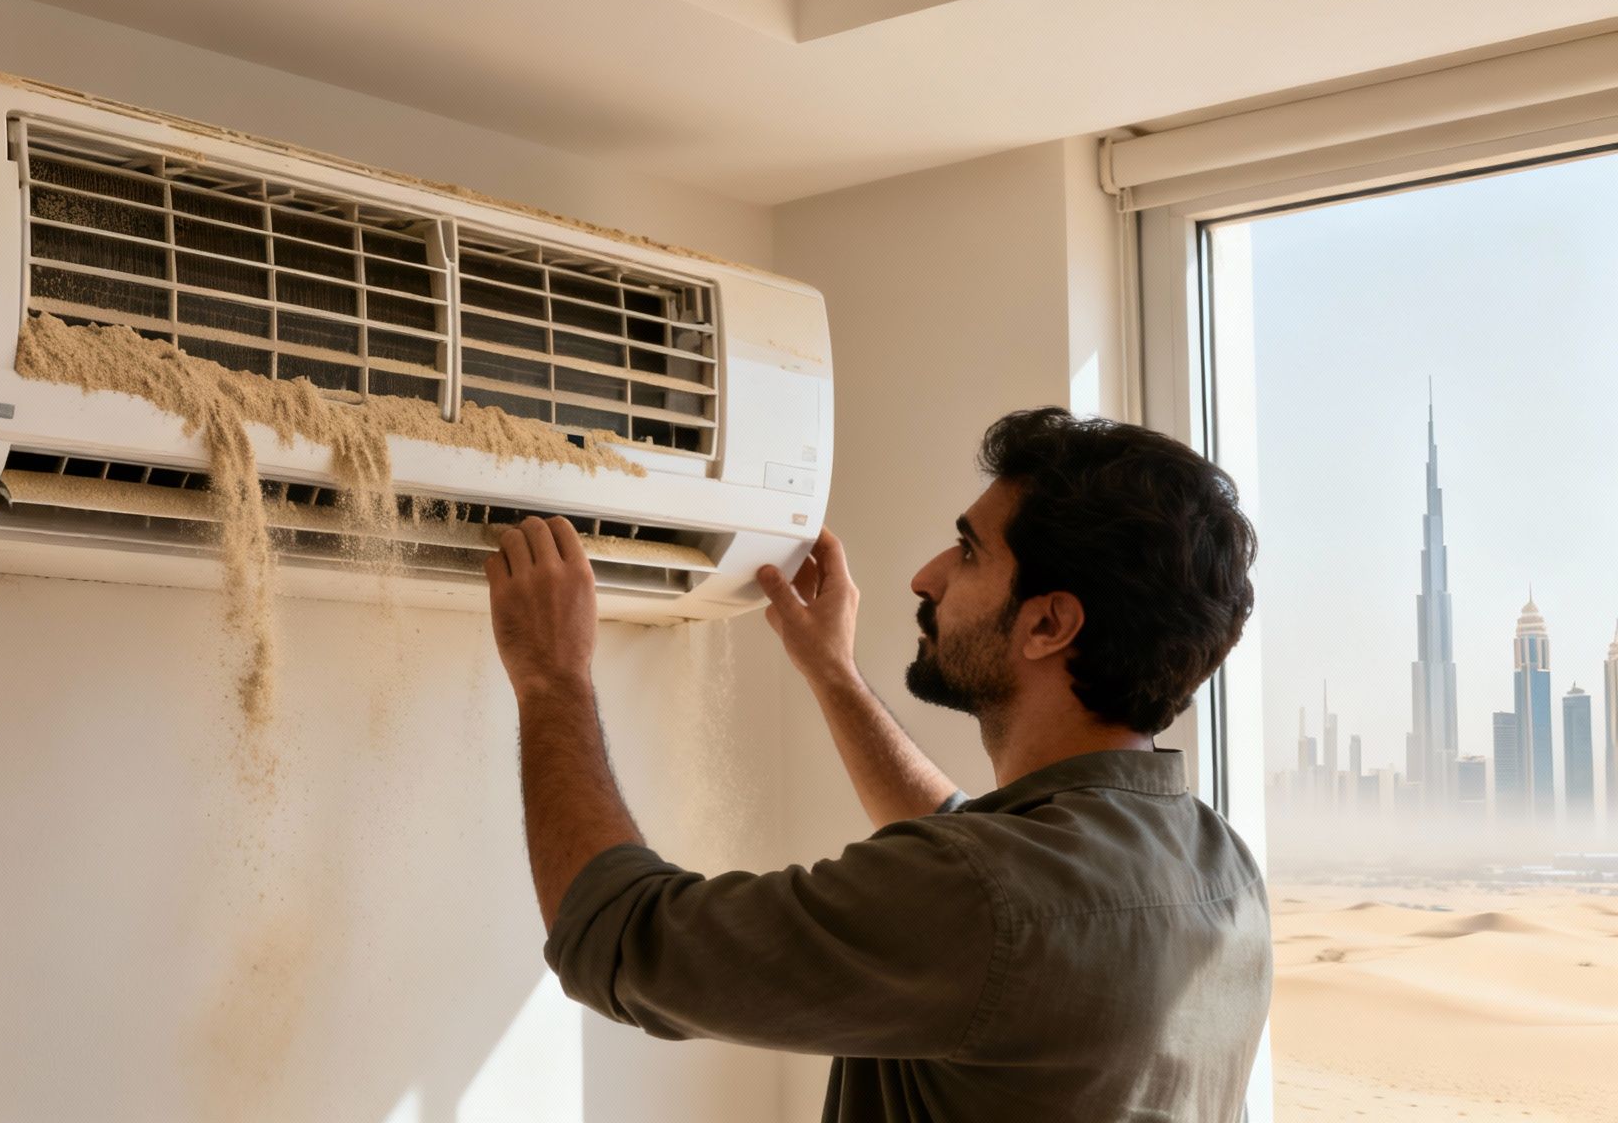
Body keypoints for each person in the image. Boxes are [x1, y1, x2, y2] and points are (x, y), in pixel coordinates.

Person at [483, 406, 1272, 1122]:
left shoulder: (986, 900)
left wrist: (554, 677)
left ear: (1049, 624)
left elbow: (618, 940)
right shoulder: (1221, 871)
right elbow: (979, 868)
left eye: (968, 551)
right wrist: (833, 674)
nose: (926, 576)